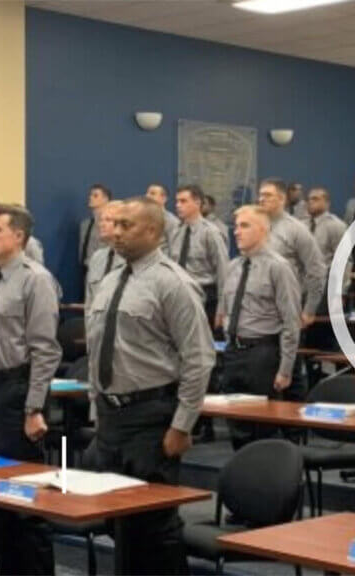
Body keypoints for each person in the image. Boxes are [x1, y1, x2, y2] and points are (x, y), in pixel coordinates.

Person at [87, 196, 215, 575]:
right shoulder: (111, 280)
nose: (117, 232)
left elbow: (199, 358)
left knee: (154, 527)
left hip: (151, 416)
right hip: (112, 415)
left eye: (128, 226)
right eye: (116, 225)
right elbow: (98, 350)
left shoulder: (173, 284)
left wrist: (182, 425)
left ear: (154, 232)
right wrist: (98, 407)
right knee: (116, 519)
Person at [0, 203, 60, 575]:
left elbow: (45, 349)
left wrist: (34, 407)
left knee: (24, 501)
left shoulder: (35, 279)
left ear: (19, 236)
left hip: (17, 392)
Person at [218, 206, 301, 449]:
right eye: (236, 226)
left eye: (245, 226)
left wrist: (285, 369)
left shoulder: (278, 267)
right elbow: (228, 310)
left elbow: (290, 322)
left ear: (263, 230)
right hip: (234, 351)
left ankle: (267, 483)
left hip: (262, 353)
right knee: (237, 425)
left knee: (262, 428)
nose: (237, 232)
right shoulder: (233, 267)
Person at [257, 178, 326, 330]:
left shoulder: (296, 229)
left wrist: (309, 310)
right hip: (259, 307)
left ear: (282, 199)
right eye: (260, 195)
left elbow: (317, 270)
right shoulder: (256, 228)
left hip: (287, 306)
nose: (262, 199)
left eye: (268, 195)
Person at [170, 185, 228, 329]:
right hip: (179, 296)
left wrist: (223, 308)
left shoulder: (211, 232)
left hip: (204, 296)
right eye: (177, 201)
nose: (178, 206)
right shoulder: (176, 232)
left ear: (197, 203)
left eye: (183, 201)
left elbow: (223, 271)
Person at [85, 201, 126, 311]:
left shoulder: (131, 258)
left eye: (108, 220)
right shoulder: (97, 258)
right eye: (101, 220)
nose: (101, 224)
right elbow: (89, 302)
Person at [306, 186, 347, 266]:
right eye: (308, 199)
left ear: (327, 203)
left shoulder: (337, 226)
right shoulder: (303, 225)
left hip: (326, 276)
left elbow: (344, 260)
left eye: (315, 199)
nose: (310, 202)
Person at [79, 183, 111, 273]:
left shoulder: (113, 224)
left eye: (95, 195)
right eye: (90, 195)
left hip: (106, 271)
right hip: (88, 270)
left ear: (106, 199)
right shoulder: (85, 225)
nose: (91, 197)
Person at [146, 183, 180, 252]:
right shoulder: (141, 218)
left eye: (152, 193)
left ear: (163, 198)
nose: (147, 196)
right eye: (147, 193)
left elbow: (175, 249)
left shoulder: (171, 221)